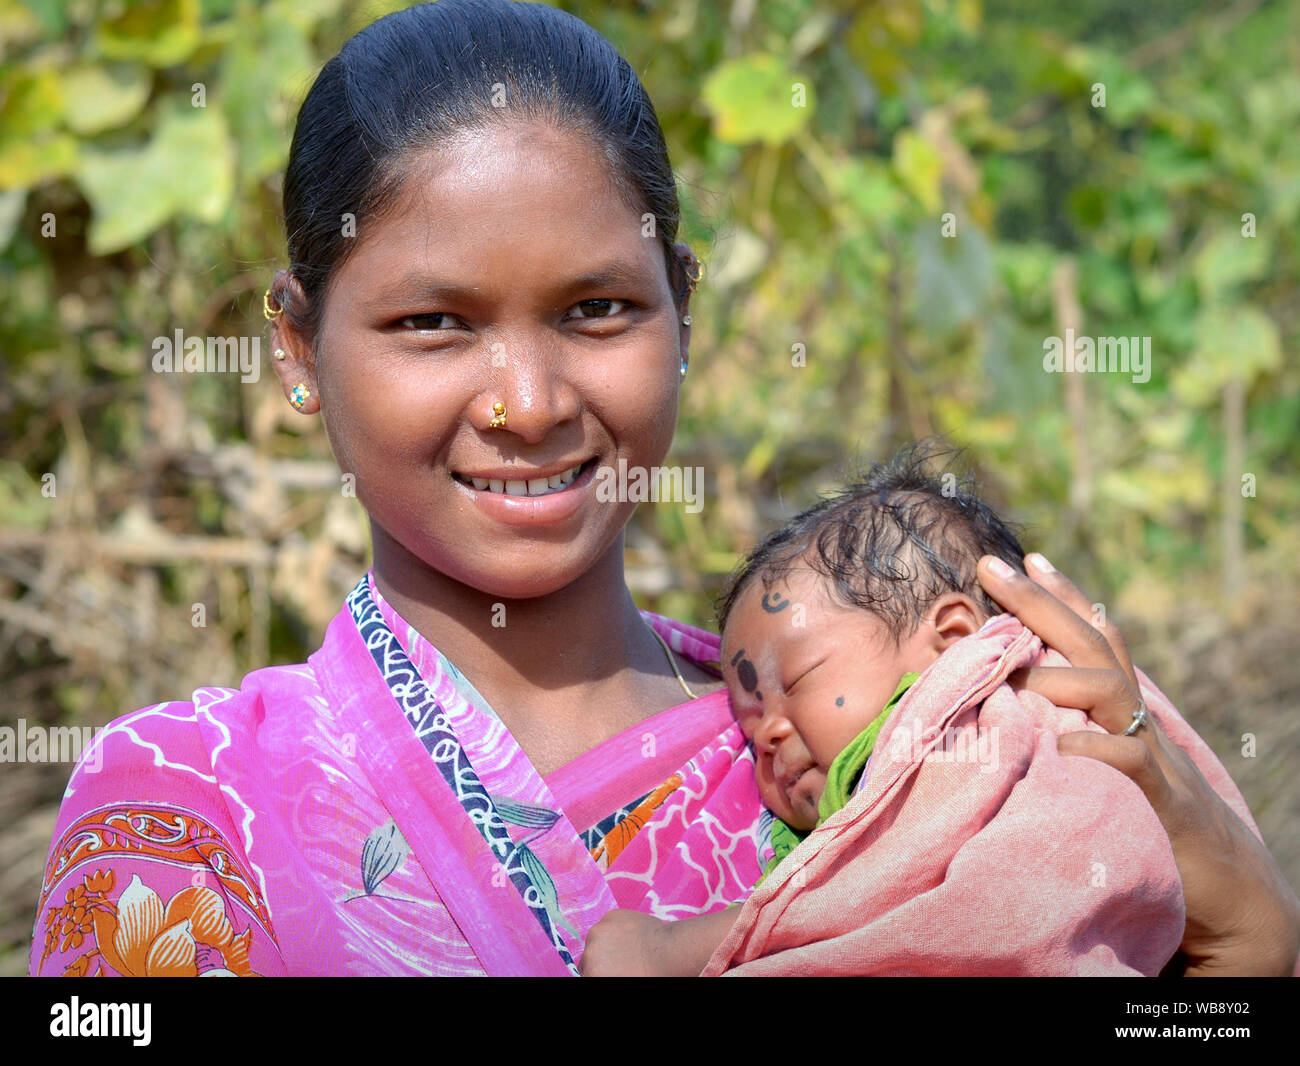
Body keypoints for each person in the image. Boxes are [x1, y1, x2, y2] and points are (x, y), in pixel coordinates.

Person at [30, 0, 1298, 978]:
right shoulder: (185, 809)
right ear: (301, 352)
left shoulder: (879, 751)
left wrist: (1240, 944)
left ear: (682, 311)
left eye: (597, 309)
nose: (526, 402)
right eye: (431, 323)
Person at [580, 445, 1253, 975]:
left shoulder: (981, 727)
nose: (770, 736)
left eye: (803, 677)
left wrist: (672, 951)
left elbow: (883, 889)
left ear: (955, 640)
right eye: (750, 727)